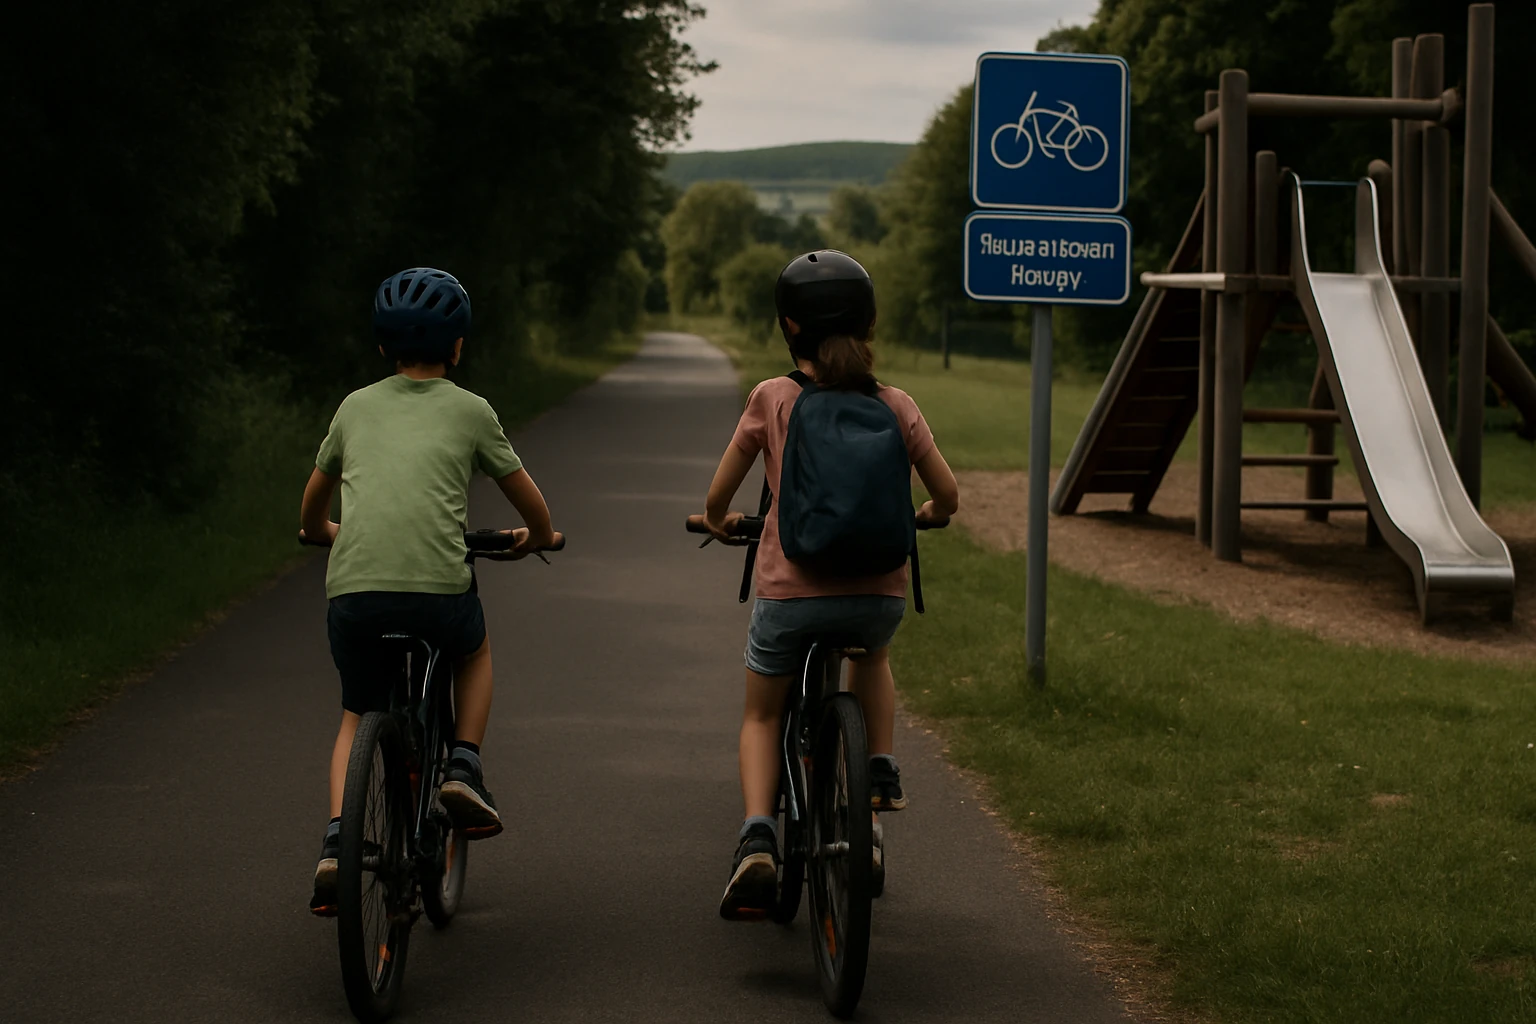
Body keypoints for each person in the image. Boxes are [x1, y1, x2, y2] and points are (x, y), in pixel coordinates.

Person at [700, 250, 960, 920]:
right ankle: (877, 766)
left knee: (762, 712)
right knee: (871, 657)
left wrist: (721, 520)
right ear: (869, 323)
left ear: (789, 326)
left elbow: (718, 495)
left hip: (790, 595)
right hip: (877, 595)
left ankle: (758, 835)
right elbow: (947, 495)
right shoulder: (895, 404)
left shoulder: (773, 398)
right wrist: (928, 514)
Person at [300, 267, 556, 916]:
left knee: (357, 712)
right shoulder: (471, 411)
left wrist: (318, 530)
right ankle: (463, 765)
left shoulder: (354, 406)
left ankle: (337, 845)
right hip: (439, 592)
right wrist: (539, 534)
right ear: (458, 347)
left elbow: (313, 500)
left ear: (382, 347)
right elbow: (528, 500)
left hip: (355, 591)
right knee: (471, 650)